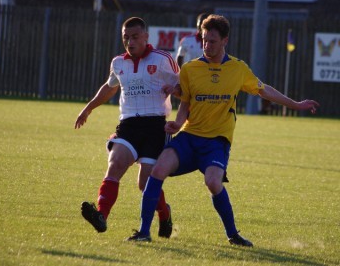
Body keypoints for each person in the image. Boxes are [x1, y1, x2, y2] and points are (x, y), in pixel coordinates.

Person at [127, 14, 319, 245]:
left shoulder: (238, 69)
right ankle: (144, 232)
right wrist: (178, 123)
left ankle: (233, 235)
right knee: (156, 171)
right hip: (189, 137)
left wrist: (296, 104)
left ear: (225, 41)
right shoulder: (191, 69)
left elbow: (264, 90)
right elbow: (186, 102)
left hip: (216, 142)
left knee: (213, 182)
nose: (207, 45)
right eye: (205, 40)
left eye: (213, 41)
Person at [75, 17, 180, 238]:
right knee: (114, 165)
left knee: (145, 184)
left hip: (155, 127)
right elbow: (110, 86)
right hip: (128, 125)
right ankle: (101, 215)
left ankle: (165, 213)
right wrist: (88, 108)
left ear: (145, 36)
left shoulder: (162, 59)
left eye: (134, 37)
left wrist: (176, 90)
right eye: (126, 37)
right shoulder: (118, 62)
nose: (129, 42)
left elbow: (184, 85)